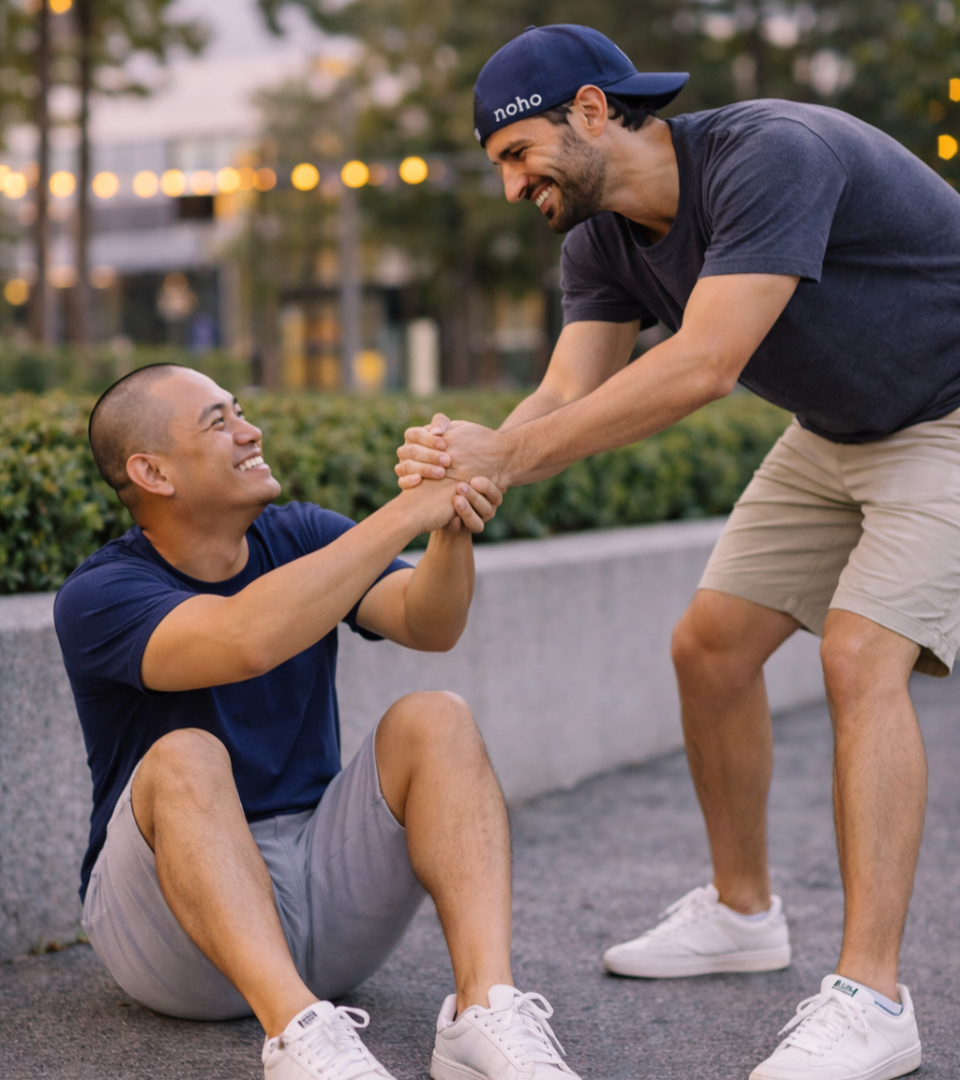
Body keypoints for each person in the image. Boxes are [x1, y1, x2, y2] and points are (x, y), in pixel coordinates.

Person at [396, 23, 960, 1080]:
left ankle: (876, 998)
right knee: (709, 649)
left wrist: (505, 455)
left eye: (518, 155)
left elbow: (705, 363)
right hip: (836, 432)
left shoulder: (770, 154)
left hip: (951, 417)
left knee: (858, 656)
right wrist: (471, 470)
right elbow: (568, 391)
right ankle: (744, 915)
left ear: (592, 110)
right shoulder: (598, 241)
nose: (511, 187)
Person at [54, 363, 581, 1080]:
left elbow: (429, 624)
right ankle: (297, 1035)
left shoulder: (301, 532)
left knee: (437, 718)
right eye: (219, 422)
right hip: (174, 936)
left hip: (325, 894)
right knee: (183, 754)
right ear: (153, 472)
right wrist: (407, 510)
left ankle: (484, 1010)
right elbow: (245, 639)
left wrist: (450, 517)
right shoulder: (101, 593)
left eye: (241, 411)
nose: (250, 431)